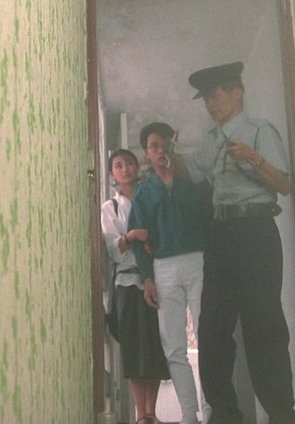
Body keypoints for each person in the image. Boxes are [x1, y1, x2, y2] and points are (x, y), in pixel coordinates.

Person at [186, 62, 295, 424]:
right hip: (221, 235)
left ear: (237, 93)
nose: (210, 103)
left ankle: (282, 413)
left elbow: (284, 185)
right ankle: (224, 413)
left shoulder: (259, 131)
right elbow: (191, 172)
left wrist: (254, 158)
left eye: (215, 95)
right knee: (212, 325)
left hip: (256, 232)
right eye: (206, 98)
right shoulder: (209, 141)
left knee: (263, 323)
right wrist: (163, 156)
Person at [128, 122, 208, 424]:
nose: (161, 151)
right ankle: (189, 414)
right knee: (174, 346)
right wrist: (147, 277)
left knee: (207, 337)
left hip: (197, 260)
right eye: (154, 146)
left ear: (173, 146)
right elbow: (139, 237)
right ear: (147, 154)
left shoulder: (191, 181)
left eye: (165, 144)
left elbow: (208, 217)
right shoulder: (144, 192)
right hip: (164, 267)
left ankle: (211, 411)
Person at [101, 148, 171, 424]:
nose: (125, 169)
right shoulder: (110, 207)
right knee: (134, 347)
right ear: (111, 173)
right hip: (127, 283)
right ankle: (141, 415)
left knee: (156, 346)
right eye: (118, 165)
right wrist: (131, 236)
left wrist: (150, 240)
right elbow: (113, 250)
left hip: (156, 278)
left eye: (129, 163)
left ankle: (152, 412)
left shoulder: (149, 197)